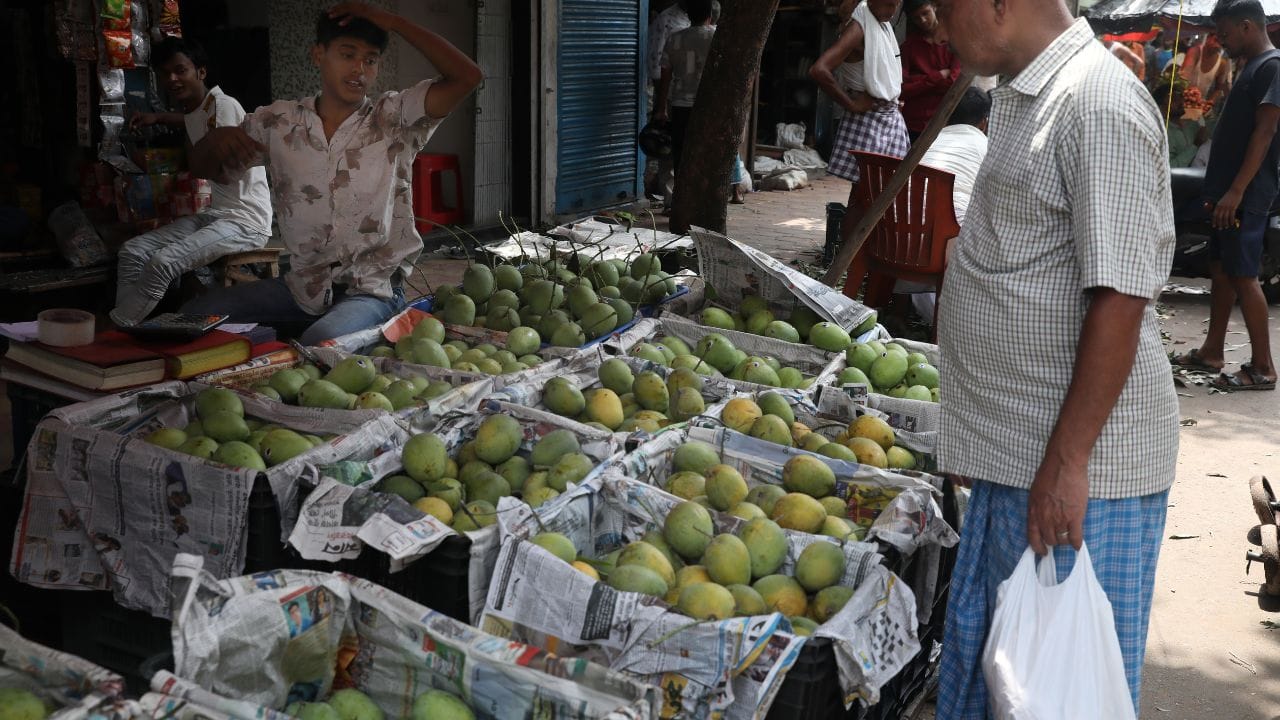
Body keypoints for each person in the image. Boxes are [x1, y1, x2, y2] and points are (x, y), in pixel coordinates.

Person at [931, 0, 1179, 715]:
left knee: (1055, 692)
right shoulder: (1026, 93)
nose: (939, 25)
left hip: (1078, 474)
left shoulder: (1097, 105)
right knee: (1009, 678)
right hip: (1018, 451)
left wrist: (1068, 463)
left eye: (945, 7)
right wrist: (972, 428)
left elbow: (1120, 297)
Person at [183, 3, 483, 344]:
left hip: (372, 291)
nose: (359, 69)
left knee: (321, 342)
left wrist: (395, 22)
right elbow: (203, 167)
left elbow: (468, 76)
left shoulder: (394, 118)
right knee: (197, 314)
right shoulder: (278, 122)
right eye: (347, 54)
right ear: (318, 54)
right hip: (302, 290)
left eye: (370, 59)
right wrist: (215, 141)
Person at [110, 38, 272, 328]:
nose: (172, 79)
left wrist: (195, 161)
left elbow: (224, 172)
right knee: (132, 251)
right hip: (216, 214)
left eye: (180, 70)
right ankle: (127, 323)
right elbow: (189, 120)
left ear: (201, 72)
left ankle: (119, 328)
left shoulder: (223, 106)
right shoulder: (196, 111)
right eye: (165, 74)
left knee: (162, 264)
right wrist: (158, 117)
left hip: (246, 221)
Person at [1173, 0, 1278, 391]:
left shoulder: (1271, 67)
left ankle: (1263, 368)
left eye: (1225, 33)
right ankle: (1212, 351)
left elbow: (1264, 133)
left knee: (1244, 276)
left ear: (1247, 26)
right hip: (1227, 194)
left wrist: (1235, 191)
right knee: (1221, 269)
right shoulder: (1251, 67)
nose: (1221, 41)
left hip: (1245, 194)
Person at [809, 0, 909, 253]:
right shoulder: (858, 27)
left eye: (896, 5)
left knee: (874, 194)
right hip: (869, 120)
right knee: (863, 195)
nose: (892, 11)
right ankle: (851, 256)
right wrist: (851, 104)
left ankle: (862, 253)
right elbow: (819, 70)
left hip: (886, 117)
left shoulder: (879, 25)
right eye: (888, 4)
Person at [894, 87, 990, 322]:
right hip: (943, 249)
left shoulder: (927, 140)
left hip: (895, 240)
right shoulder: (985, 146)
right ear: (984, 122)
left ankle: (903, 309)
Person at [653, 0, 745, 210]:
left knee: (681, 154)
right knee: (711, 153)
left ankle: (680, 201)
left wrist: (661, 108)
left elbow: (665, 76)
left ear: (688, 15)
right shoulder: (718, 37)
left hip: (681, 106)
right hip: (711, 107)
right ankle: (707, 202)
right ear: (710, 16)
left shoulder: (674, 38)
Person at [899, 0, 961, 142]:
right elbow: (901, 90)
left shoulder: (954, 40)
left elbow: (953, 84)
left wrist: (917, 81)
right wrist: (937, 76)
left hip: (945, 123)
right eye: (916, 18)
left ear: (934, 7)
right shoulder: (908, 47)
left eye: (925, 13)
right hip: (913, 123)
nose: (922, 20)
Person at [1156, 81, 1210, 167]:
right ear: (1162, 107)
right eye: (1174, 99)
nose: (1181, 101)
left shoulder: (1194, 121)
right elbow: (1170, 167)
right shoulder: (1163, 132)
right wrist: (1195, 146)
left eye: (1181, 97)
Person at [1183, 32, 1234, 105]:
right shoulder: (1195, 51)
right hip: (1183, 99)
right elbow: (1184, 76)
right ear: (1208, 38)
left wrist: (1210, 102)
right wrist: (1190, 93)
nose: (1217, 46)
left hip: (1198, 105)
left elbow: (1218, 89)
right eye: (1216, 40)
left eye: (1221, 44)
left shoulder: (1222, 64)